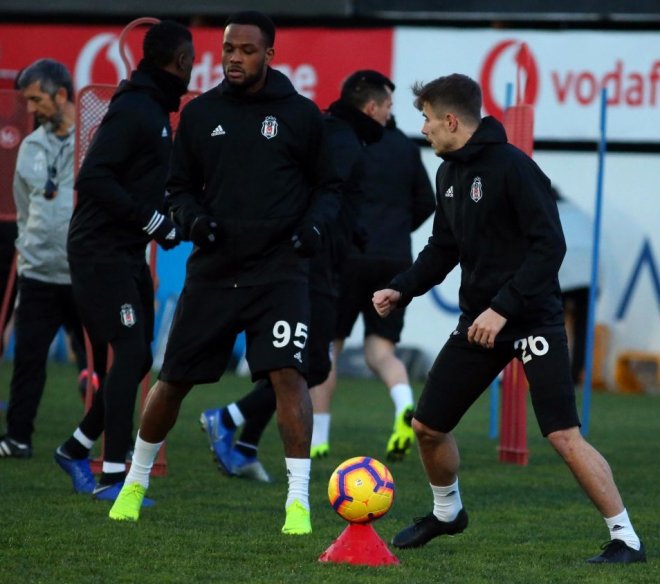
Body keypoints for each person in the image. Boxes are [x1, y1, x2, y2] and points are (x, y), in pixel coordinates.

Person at [372, 73, 645, 564]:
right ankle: (447, 513)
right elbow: (443, 248)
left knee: (562, 435)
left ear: (450, 120)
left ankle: (626, 539)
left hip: (532, 319)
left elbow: (550, 247)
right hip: (480, 323)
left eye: (427, 119)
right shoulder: (447, 173)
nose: (424, 129)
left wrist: (503, 308)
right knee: (427, 426)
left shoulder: (514, 168)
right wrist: (403, 287)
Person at [108, 11, 341, 535]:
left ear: (269, 55)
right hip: (214, 271)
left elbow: (330, 189)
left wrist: (312, 229)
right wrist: (193, 219)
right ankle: (134, 483)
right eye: (228, 49)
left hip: (280, 272)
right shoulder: (199, 114)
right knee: (172, 380)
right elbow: (178, 188)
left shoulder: (301, 115)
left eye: (246, 50)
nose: (234, 58)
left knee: (289, 377)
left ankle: (297, 503)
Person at [197, 70, 390, 482]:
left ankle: (245, 447)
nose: (390, 117)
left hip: (313, 262)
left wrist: (352, 230)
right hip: (312, 267)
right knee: (312, 365)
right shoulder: (342, 139)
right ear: (372, 107)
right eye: (388, 107)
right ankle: (227, 418)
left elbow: (328, 195)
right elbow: (318, 192)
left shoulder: (337, 133)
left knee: (291, 365)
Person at [53, 21, 195, 501]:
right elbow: (93, 178)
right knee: (131, 355)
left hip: (125, 251)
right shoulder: (135, 107)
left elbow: (141, 184)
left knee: (137, 362)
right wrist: (152, 221)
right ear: (181, 61)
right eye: (191, 61)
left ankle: (75, 449)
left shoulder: (153, 108)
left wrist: (169, 221)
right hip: (99, 252)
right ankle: (113, 476)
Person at [310, 109, 436, 462]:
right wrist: (397, 227)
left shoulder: (346, 142)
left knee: (328, 349)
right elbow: (426, 201)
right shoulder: (405, 146)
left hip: (347, 256)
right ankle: (404, 404)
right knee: (381, 352)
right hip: (393, 259)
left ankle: (318, 440)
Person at [0, 59, 104, 459]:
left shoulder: (95, 139)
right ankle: (17, 438)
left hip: (84, 273)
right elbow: (24, 205)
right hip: (38, 273)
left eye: (36, 99)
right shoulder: (30, 146)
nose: (30, 109)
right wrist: (29, 246)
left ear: (61, 95)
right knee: (28, 360)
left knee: (102, 364)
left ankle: (106, 442)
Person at [553, 187, 595, 385]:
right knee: (582, 328)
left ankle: (555, 372)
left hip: (563, 271)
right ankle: (576, 374)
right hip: (589, 273)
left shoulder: (548, 210)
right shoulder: (578, 212)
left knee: (552, 325)